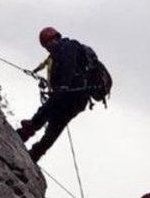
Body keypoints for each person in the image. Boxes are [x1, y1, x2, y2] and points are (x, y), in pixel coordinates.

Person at [17, 26, 95, 162]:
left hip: (71, 93)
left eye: (48, 43)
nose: (48, 47)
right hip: (77, 97)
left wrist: (64, 85)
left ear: (56, 38)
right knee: (55, 125)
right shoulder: (57, 53)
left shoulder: (68, 46)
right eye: (46, 46)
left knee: (49, 112)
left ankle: (27, 132)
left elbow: (69, 66)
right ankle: (36, 152)